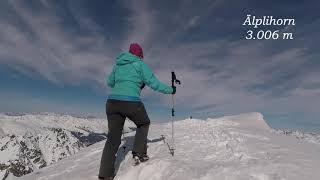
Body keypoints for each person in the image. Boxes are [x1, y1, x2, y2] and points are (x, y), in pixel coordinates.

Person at [98, 43, 175, 180]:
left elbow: (110, 82)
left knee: (112, 139)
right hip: (131, 101)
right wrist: (171, 90)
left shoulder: (118, 65)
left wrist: (123, 83)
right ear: (139, 55)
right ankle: (139, 153)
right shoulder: (140, 64)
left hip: (112, 103)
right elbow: (154, 83)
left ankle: (104, 175)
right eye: (141, 56)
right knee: (144, 123)